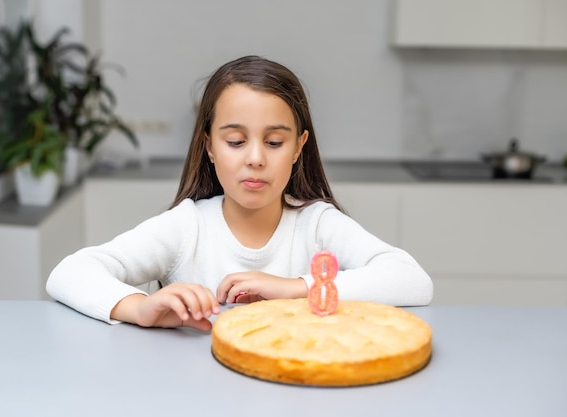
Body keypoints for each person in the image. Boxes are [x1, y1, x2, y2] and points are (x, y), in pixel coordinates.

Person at [46, 55, 433, 331]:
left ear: (299, 148)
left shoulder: (317, 225)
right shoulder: (187, 227)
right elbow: (69, 273)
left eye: (275, 142)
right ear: (209, 146)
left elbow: (412, 280)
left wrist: (296, 289)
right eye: (235, 141)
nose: (255, 158)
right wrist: (141, 308)